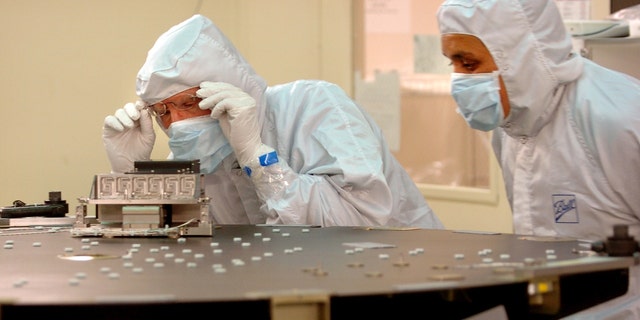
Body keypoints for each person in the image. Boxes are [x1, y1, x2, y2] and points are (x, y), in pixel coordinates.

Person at [102, 14, 443, 229]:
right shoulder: (198, 163)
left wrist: (256, 157)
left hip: (408, 285)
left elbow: (359, 223)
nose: (176, 125)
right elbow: (172, 237)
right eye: (163, 111)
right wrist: (132, 174)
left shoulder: (315, 106)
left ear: (227, 87)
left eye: (188, 103)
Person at [437, 0, 640, 318]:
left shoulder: (620, 117)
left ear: (518, 57)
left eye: (469, 63)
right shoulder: (511, 126)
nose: (459, 80)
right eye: (453, 64)